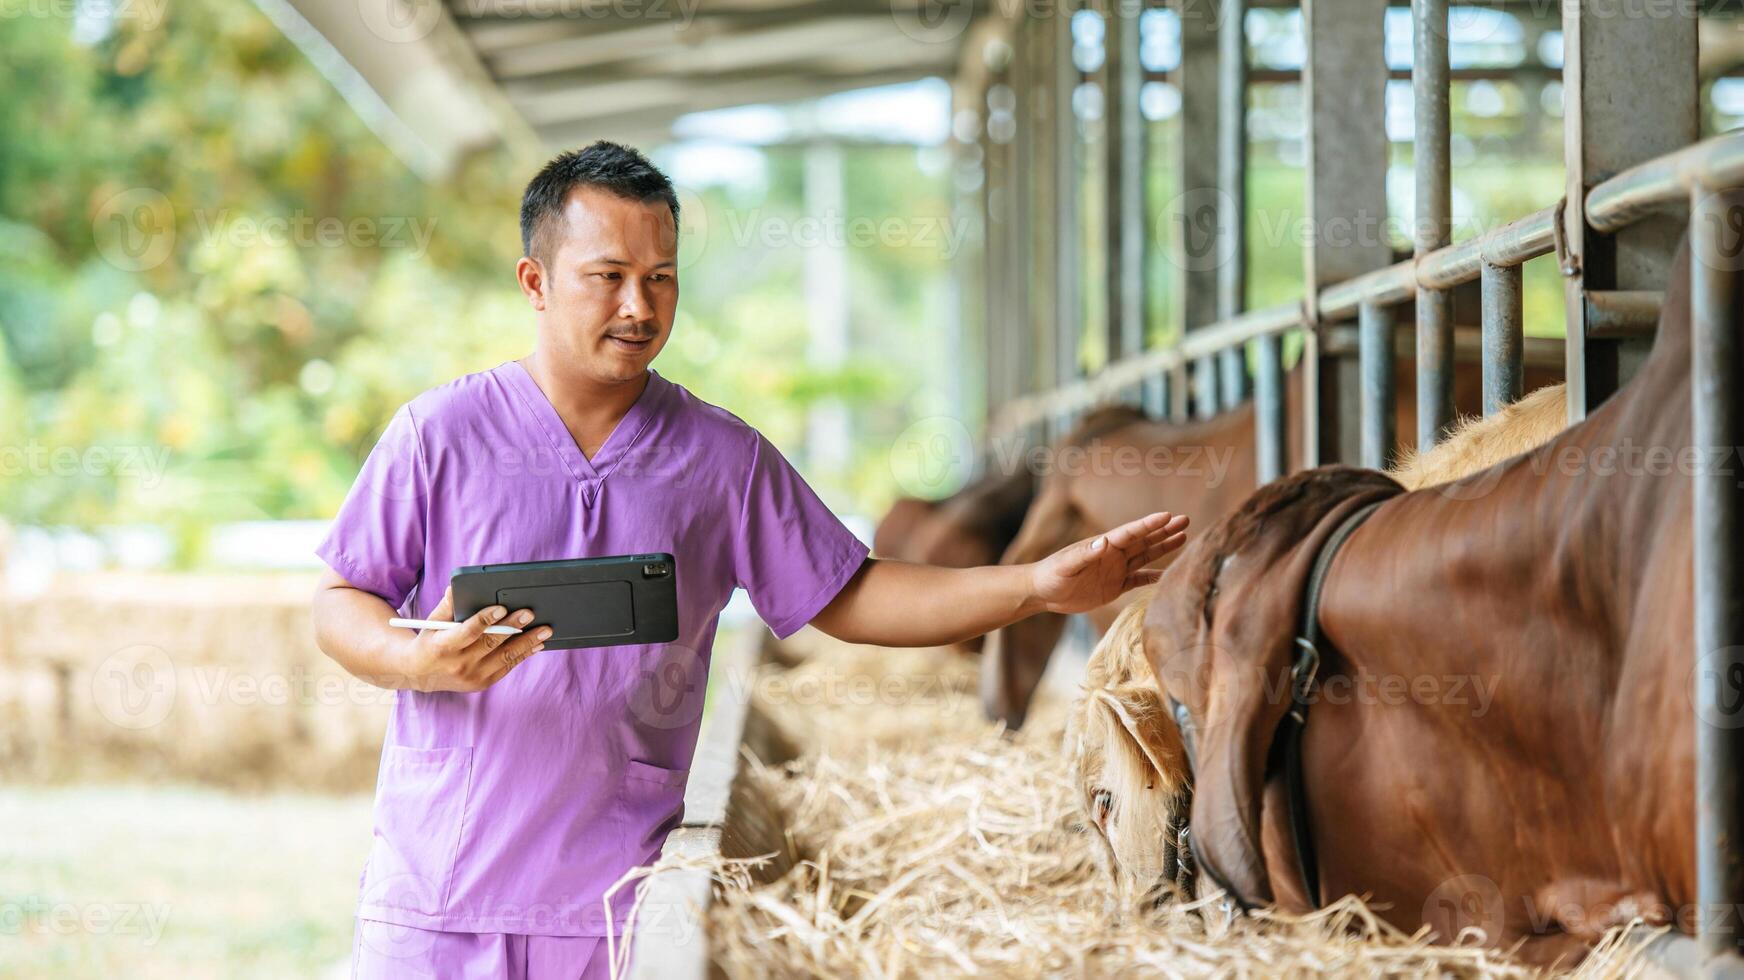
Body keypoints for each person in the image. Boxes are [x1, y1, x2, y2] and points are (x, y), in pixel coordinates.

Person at [311, 141, 1188, 979]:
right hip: (438, 899)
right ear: (535, 283)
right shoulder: (440, 436)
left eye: (661, 278)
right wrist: (410, 658)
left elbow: (853, 594)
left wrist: (1036, 586)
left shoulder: (719, 458)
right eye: (607, 278)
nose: (639, 308)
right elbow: (343, 598)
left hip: (621, 909)